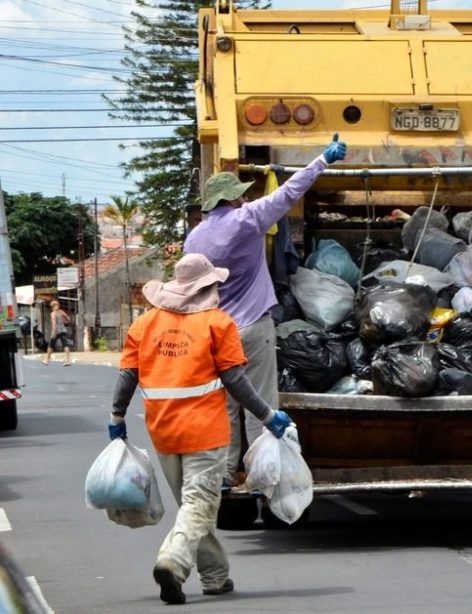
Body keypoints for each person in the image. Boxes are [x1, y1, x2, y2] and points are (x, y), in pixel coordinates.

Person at [106, 253, 294, 605]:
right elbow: (236, 380)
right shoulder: (217, 323)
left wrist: (116, 418)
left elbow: (127, 376)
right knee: (199, 505)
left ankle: (215, 577)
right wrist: (268, 416)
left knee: (194, 507)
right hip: (204, 433)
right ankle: (173, 562)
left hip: (163, 432)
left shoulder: (144, 325)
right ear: (207, 286)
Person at [185, 134, 347, 487]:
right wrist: (323, 159)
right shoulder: (247, 219)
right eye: (242, 192)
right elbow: (289, 193)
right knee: (258, 405)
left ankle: (227, 474)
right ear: (233, 198)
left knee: (226, 406)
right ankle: (261, 475)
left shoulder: (194, 238)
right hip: (252, 328)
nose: (247, 195)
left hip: (214, 332)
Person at [42, 300, 72, 366]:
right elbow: (68, 319)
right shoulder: (61, 312)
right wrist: (65, 321)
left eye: (57, 305)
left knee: (51, 346)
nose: (57, 307)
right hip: (63, 331)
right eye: (56, 305)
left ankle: (47, 360)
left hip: (56, 332)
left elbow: (54, 323)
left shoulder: (53, 314)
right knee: (65, 345)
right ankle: (68, 361)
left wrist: (54, 332)